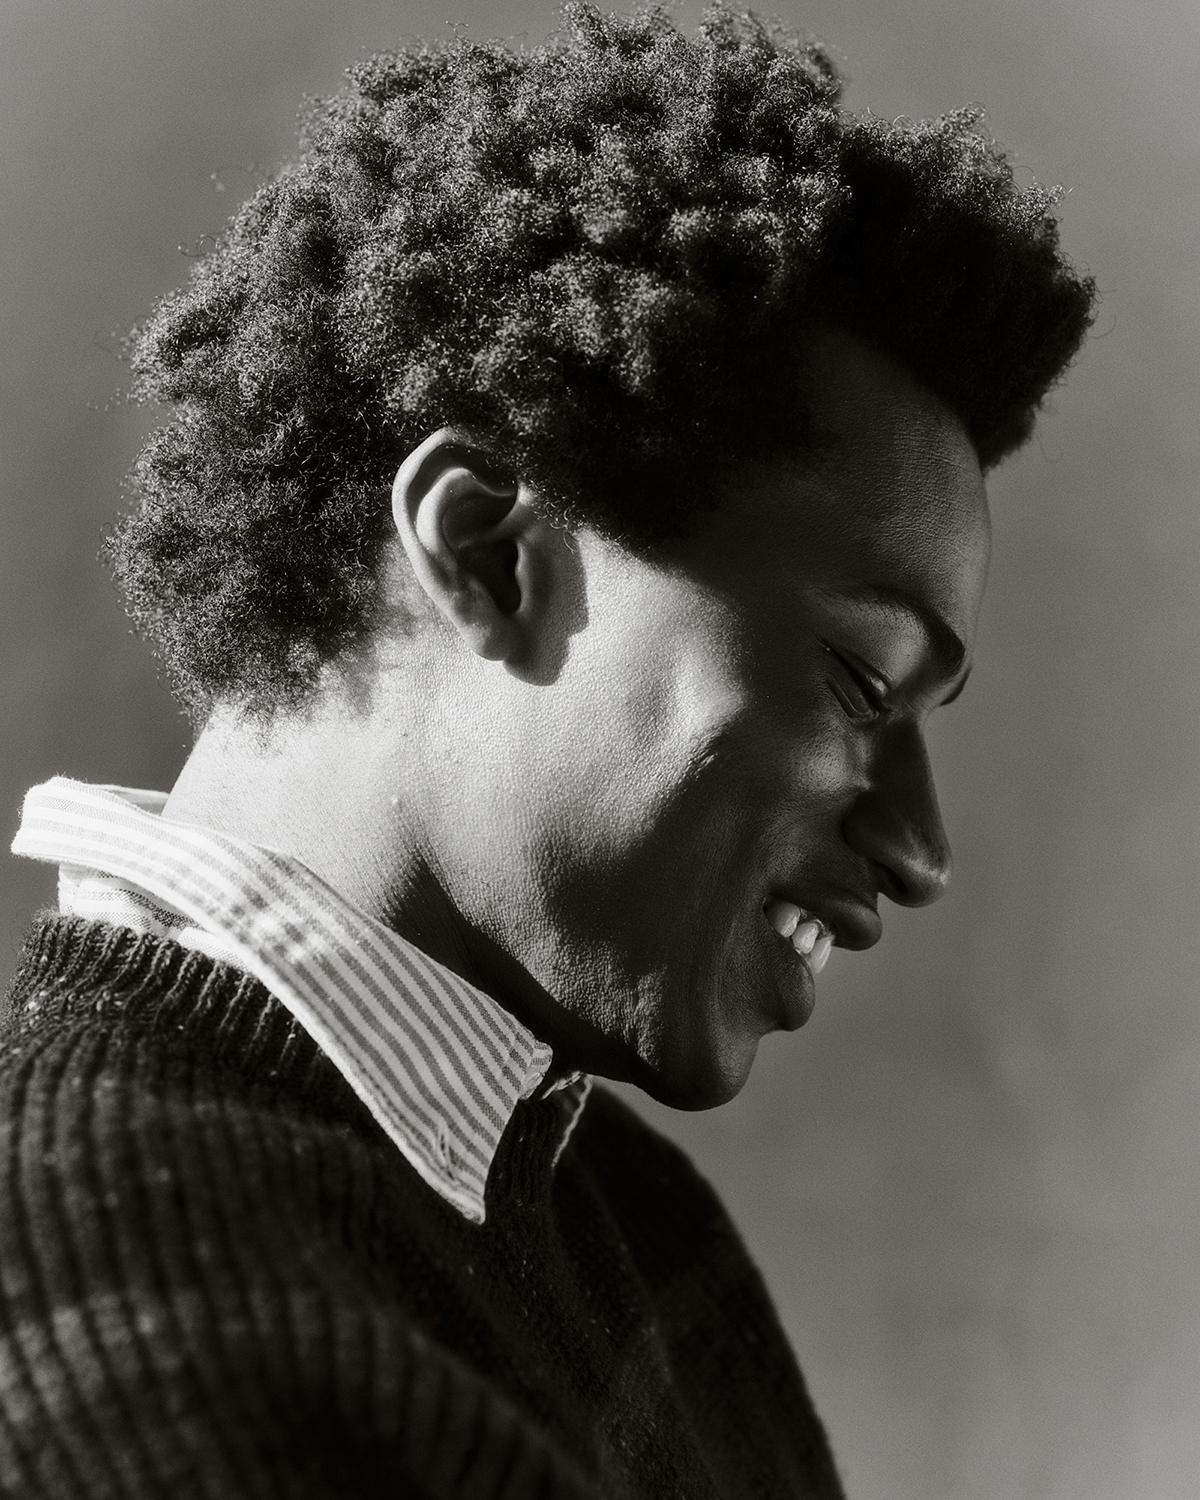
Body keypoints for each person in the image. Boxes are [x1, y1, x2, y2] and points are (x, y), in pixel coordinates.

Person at [2, 5, 1095, 1496]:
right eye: (859, 681)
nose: (922, 851)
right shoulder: (125, 1358)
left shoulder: (621, 1221)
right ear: (488, 553)